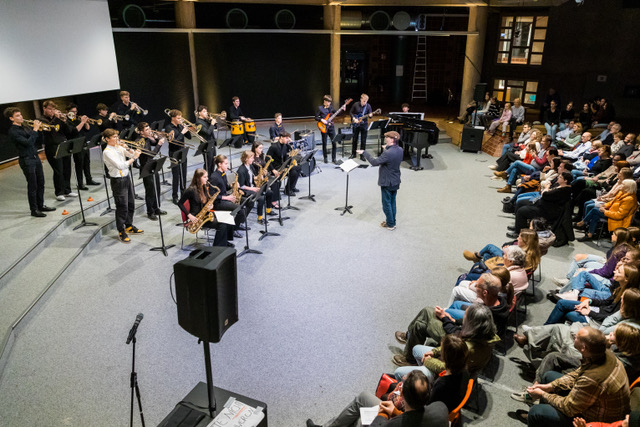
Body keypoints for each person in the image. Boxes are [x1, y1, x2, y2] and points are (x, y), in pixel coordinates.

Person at [517, 326, 630, 427]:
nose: (574, 337)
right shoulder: (603, 352)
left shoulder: (593, 378)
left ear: (583, 348)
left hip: (591, 420)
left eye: (577, 338)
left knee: (536, 412)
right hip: (593, 403)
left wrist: (543, 394)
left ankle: (538, 417)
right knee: (548, 377)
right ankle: (543, 421)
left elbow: (568, 408)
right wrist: (549, 386)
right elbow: (577, 373)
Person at [305, 370, 449, 427]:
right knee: (364, 397)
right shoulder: (441, 408)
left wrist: (383, 414)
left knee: (359, 421)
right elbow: (413, 417)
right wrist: (395, 411)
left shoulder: (393, 425)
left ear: (402, 396)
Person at [4, 107, 55, 217]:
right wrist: (35, 130)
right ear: (11, 118)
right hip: (26, 159)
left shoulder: (25, 126)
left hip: (35, 157)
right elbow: (28, 143)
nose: (21, 117)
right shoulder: (13, 131)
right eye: (17, 116)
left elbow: (37, 141)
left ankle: (40, 205)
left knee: (41, 182)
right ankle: (34, 210)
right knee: (33, 185)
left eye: (20, 114)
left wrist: (39, 131)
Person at [101, 128, 143, 243]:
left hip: (126, 178)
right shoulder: (107, 152)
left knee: (131, 203)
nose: (117, 139)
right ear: (107, 139)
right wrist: (134, 158)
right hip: (118, 181)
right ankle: (121, 230)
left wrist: (128, 148)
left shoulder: (119, 147)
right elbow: (121, 165)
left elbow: (130, 154)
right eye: (114, 137)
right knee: (122, 207)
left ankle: (129, 225)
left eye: (117, 136)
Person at [358, 131, 403, 231]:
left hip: (387, 181)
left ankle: (390, 224)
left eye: (387, 137)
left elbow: (374, 162)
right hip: (395, 180)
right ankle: (392, 221)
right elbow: (391, 155)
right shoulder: (400, 149)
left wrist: (364, 152)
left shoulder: (388, 153)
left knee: (386, 203)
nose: (385, 139)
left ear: (392, 140)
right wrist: (386, 148)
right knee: (392, 202)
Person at [178, 168, 233, 247]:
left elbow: (205, 201)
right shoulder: (190, 190)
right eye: (205, 177)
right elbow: (180, 203)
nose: (207, 179)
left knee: (228, 216)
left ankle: (225, 241)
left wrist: (211, 205)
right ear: (198, 178)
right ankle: (217, 247)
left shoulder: (204, 187)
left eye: (207, 177)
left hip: (205, 213)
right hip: (197, 218)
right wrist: (189, 215)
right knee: (222, 224)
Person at [38, 100, 76, 201]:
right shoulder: (41, 120)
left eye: (53, 109)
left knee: (67, 168)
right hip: (52, 147)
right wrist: (56, 118)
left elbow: (68, 131)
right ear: (44, 109)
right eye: (50, 109)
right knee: (58, 170)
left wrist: (64, 121)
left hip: (64, 144)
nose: (52, 111)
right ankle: (59, 192)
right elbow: (49, 131)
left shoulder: (58, 119)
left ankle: (67, 190)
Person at [208, 154, 247, 237]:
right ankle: (233, 229)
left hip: (224, 199)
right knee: (240, 210)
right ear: (219, 164)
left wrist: (233, 185)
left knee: (246, 201)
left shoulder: (223, 174)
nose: (227, 165)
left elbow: (225, 187)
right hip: (217, 203)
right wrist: (227, 198)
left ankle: (235, 225)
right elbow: (211, 196)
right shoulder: (214, 177)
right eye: (225, 163)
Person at [135, 122, 167, 220]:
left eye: (149, 129)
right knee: (150, 191)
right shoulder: (139, 141)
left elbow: (153, 143)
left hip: (153, 165)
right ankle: (150, 212)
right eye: (147, 130)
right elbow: (151, 155)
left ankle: (156, 208)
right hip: (146, 168)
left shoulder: (147, 138)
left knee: (157, 188)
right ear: (141, 132)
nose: (149, 131)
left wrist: (156, 138)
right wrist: (159, 144)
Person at [236, 150, 274, 224]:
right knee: (261, 198)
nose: (253, 159)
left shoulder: (250, 166)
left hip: (253, 187)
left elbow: (253, 177)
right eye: (251, 158)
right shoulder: (241, 170)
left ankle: (268, 210)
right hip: (246, 190)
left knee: (269, 192)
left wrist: (260, 177)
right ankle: (260, 218)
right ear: (246, 159)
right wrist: (253, 189)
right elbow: (241, 186)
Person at [165, 109, 191, 204]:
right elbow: (174, 142)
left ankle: (183, 193)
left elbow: (189, 137)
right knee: (176, 176)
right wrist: (182, 133)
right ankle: (175, 196)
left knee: (183, 174)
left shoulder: (180, 126)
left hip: (182, 152)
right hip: (174, 153)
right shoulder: (168, 128)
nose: (180, 120)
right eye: (178, 118)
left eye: (181, 117)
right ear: (173, 118)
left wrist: (186, 129)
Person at [65, 103, 93, 190]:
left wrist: (86, 122)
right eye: (72, 111)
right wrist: (82, 122)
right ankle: (80, 184)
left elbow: (87, 129)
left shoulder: (77, 119)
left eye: (75, 111)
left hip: (84, 143)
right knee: (79, 165)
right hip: (76, 145)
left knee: (87, 163)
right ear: (67, 112)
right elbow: (74, 131)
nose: (75, 113)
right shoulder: (66, 121)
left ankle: (89, 180)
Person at [267, 131, 300, 197]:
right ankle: (288, 190)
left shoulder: (286, 146)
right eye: (286, 138)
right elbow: (267, 159)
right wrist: (273, 170)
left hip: (284, 165)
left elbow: (293, 150)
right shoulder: (273, 147)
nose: (288, 140)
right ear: (281, 137)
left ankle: (291, 187)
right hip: (276, 167)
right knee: (293, 172)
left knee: (298, 168)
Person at [315, 95, 337, 163]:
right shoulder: (320, 108)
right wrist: (321, 119)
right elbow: (316, 117)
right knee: (324, 143)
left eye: (330, 102)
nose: (329, 104)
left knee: (334, 143)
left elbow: (335, 112)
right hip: (324, 127)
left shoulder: (330, 107)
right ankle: (325, 158)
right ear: (325, 101)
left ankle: (334, 158)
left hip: (331, 127)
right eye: (328, 102)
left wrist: (342, 109)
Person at [195, 105, 217, 173]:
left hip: (212, 143)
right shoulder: (199, 122)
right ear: (199, 113)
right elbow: (207, 133)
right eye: (204, 111)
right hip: (206, 145)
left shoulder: (206, 120)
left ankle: (211, 179)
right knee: (208, 164)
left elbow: (215, 127)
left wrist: (212, 122)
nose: (206, 113)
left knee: (213, 162)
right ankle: (207, 179)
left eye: (206, 111)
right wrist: (212, 124)